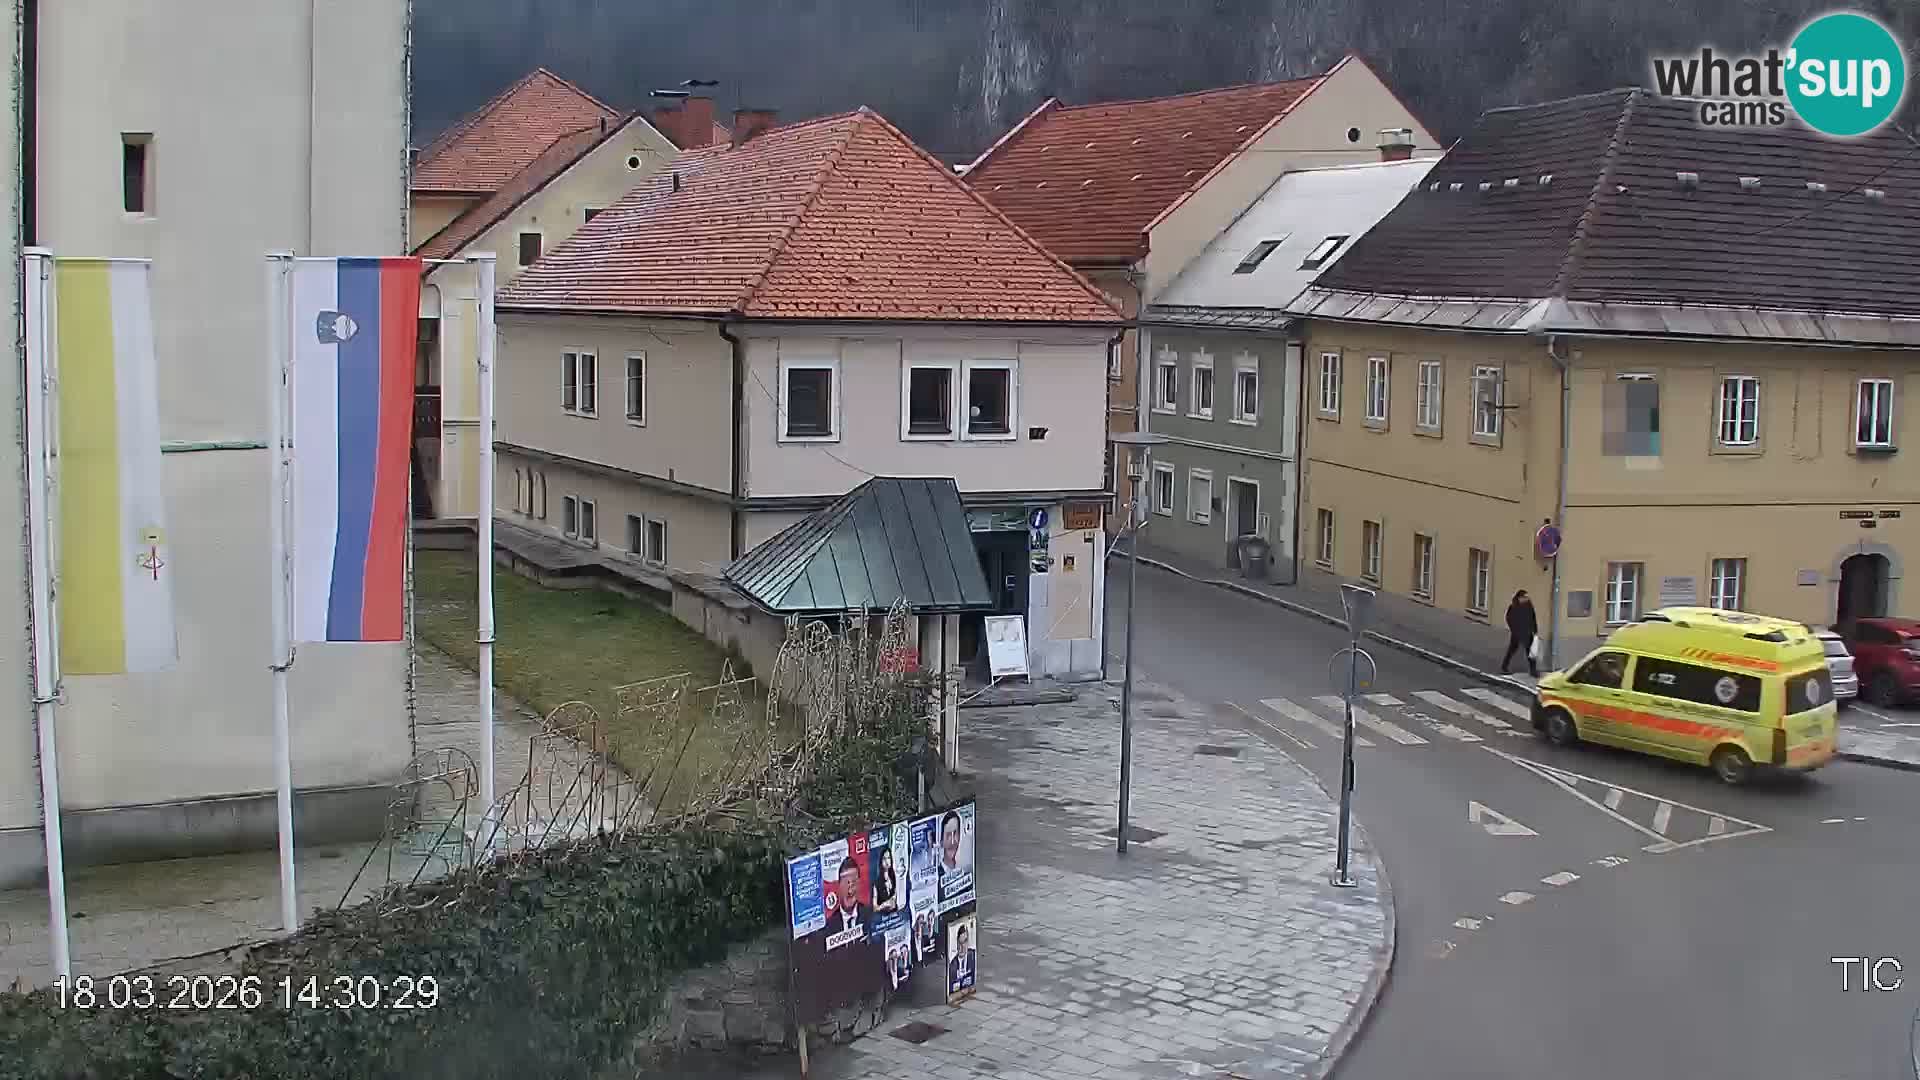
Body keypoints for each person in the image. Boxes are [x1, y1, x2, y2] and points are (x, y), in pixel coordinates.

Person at [829, 857, 872, 937]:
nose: (850, 890)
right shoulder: (829, 926)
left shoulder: (870, 916)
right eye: (846, 883)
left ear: (859, 884)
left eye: (854, 882)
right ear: (839, 885)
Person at [1502, 590, 1540, 677]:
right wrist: (1514, 629)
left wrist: (1535, 631)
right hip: (1517, 633)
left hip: (1528, 632)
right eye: (1525, 597)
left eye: (1527, 597)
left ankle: (1533, 671)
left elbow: (1533, 618)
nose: (1527, 599)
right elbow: (1508, 618)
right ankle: (1504, 667)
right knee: (1512, 650)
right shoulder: (1513, 606)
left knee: (1530, 652)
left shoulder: (1529, 606)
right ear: (1519, 598)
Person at [947, 924, 976, 992]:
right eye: (960, 943)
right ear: (957, 943)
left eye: (965, 941)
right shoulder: (952, 966)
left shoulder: (973, 956)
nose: (962, 946)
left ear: (968, 942)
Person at [874, 848, 899, 912]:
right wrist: (884, 905)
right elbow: (875, 908)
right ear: (881, 861)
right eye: (884, 858)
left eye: (888, 858)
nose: (887, 861)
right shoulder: (876, 883)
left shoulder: (894, 878)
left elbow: (895, 898)